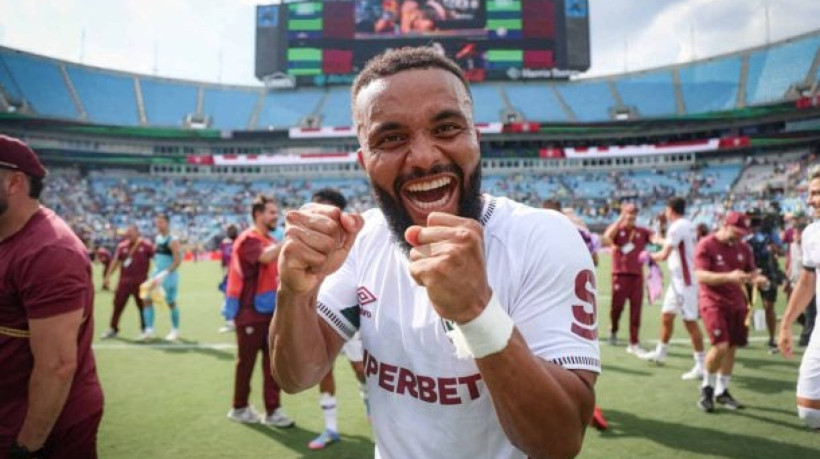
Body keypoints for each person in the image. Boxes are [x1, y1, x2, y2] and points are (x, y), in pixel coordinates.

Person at [271, 48, 599, 458]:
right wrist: (295, 291)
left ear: (475, 137)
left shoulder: (542, 237)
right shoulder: (359, 240)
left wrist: (478, 311)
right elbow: (296, 375)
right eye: (391, 139)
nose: (424, 157)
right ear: (364, 161)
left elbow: (559, 440)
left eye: (446, 128)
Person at [0, 135, 104, 457]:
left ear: (15, 182)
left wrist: (26, 447)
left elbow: (57, 365)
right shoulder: (10, 234)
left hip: (39, 425)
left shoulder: (49, 252)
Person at [306, 188, 369, 450]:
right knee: (324, 372)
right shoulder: (305, 242)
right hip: (319, 317)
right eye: (314, 209)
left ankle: (368, 398)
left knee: (360, 371)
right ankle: (330, 428)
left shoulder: (355, 241)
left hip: (351, 320)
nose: (318, 216)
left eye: (325, 210)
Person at [225, 195, 294, 428]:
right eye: (272, 213)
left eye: (276, 212)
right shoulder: (249, 239)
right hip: (249, 313)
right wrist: (289, 239)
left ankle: (273, 411)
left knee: (272, 364)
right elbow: (265, 258)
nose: (276, 216)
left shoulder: (266, 238)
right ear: (258, 214)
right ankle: (239, 407)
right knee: (246, 363)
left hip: (268, 311)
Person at [694, 211, 768, 413]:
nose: (739, 236)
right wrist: (729, 277)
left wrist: (757, 279)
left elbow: (750, 272)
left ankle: (722, 390)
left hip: (737, 302)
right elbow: (700, 275)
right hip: (713, 301)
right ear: (724, 225)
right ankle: (707, 388)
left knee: (732, 347)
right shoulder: (706, 244)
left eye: (742, 233)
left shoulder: (744, 247)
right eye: (736, 231)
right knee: (721, 345)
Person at [639, 197, 706, 380]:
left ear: (670, 209)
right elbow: (671, 245)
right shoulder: (686, 225)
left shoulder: (678, 227)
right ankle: (661, 351)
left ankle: (701, 364)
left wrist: (648, 256)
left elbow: (665, 254)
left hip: (685, 282)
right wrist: (659, 237)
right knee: (667, 316)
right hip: (678, 281)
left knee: (690, 322)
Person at [778, 168, 820, 431]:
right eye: (810, 193)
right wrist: (786, 325)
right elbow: (807, 281)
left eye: (816, 193)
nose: (809, 200)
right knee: (809, 411)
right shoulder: (812, 233)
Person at [604, 202, 653, 353]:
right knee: (617, 307)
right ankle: (613, 329)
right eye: (628, 213)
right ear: (623, 214)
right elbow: (606, 237)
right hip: (620, 274)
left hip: (637, 276)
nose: (631, 216)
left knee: (636, 309)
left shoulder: (642, 231)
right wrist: (619, 221)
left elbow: (655, 242)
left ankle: (634, 341)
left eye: (634, 213)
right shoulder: (618, 230)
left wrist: (652, 248)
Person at [102, 224, 154, 339]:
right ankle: (113, 328)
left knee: (142, 307)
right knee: (117, 305)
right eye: (127, 232)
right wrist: (107, 276)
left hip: (141, 283)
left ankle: (145, 330)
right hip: (124, 283)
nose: (128, 234)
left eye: (131, 231)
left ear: (137, 232)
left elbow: (156, 258)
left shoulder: (146, 245)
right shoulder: (122, 246)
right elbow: (115, 261)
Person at [746, 211, 784, 352]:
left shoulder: (770, 232)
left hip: (768, 272)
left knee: (769, 307)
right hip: (749, 273)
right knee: (747, 306)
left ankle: (772, 338)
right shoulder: (745, 235)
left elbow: (780, 249)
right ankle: (744, 336)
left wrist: (774, 248)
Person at [140, 213, 183, 341]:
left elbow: (177, 261)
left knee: (170, 303)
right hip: (156, 274)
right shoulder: (158, 238)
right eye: (157, 222)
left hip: (168, 276)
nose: (158, 225)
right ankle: (149, 330)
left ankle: (175, 330)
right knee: (146, 298)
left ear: (167, 223)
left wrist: (164, 273)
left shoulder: (173, 240)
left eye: (161, 222)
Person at [218, 224, 239, 333]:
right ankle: (231, 321)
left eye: (232, 229)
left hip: (239, 274)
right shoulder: (224, 243)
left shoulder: (240, 241)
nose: (230, 231)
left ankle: (235, 321)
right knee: (227, 296)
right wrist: (224, 274)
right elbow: (223, 260)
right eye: (228, 230)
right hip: (229, 274)